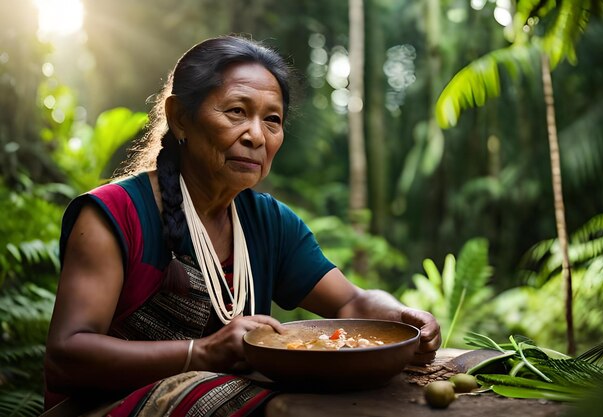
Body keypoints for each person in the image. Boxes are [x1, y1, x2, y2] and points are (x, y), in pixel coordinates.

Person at [43, 35, 441, 416]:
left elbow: (350, 303)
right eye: (236, 111)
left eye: (272, 120)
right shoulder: (114, 214)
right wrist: (201, 353)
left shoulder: (269, 222)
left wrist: (399, 316)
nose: (256, 136)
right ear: (180, 118)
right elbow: (68, 356)